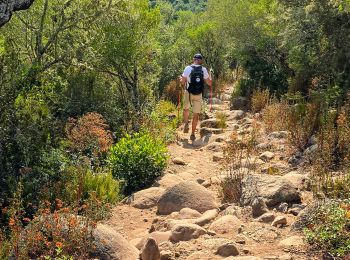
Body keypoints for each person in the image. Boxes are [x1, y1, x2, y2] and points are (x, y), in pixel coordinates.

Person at [180, 53, 212, 141]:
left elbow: (182, 82)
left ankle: (186, 123)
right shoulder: (203, 69)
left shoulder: (188, 68)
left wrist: (181, 79)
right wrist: (210, 75)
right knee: (196, 115)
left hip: (188, 93)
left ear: (193, 59)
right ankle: (193, 134)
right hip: (198, 94)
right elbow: (209, 83)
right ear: (201, 60)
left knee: (186, 109)